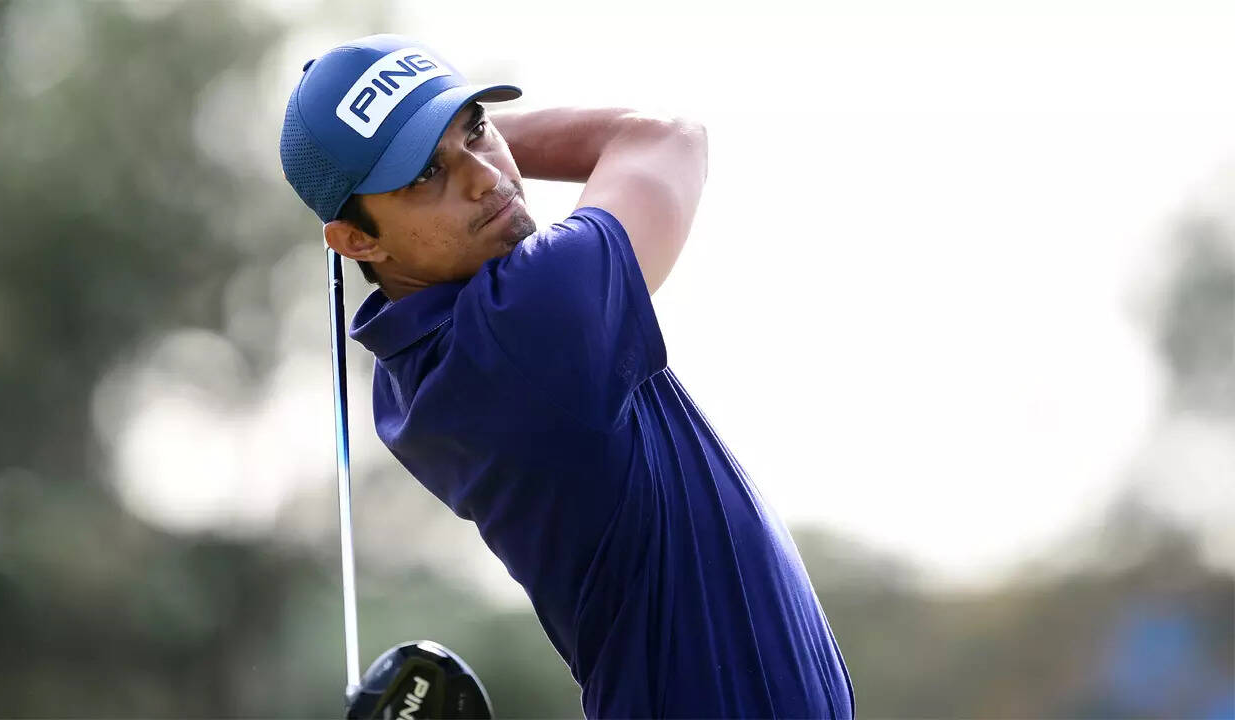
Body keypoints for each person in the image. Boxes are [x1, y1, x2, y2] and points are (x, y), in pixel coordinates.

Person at [280, 33, 854, 719]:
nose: (485, 176)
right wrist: (466, 131)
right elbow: (664, 138)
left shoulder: (416, 368)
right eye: (427, 174)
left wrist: (422, 144)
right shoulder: (528, 321)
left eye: (477, 130)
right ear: (357, 240)